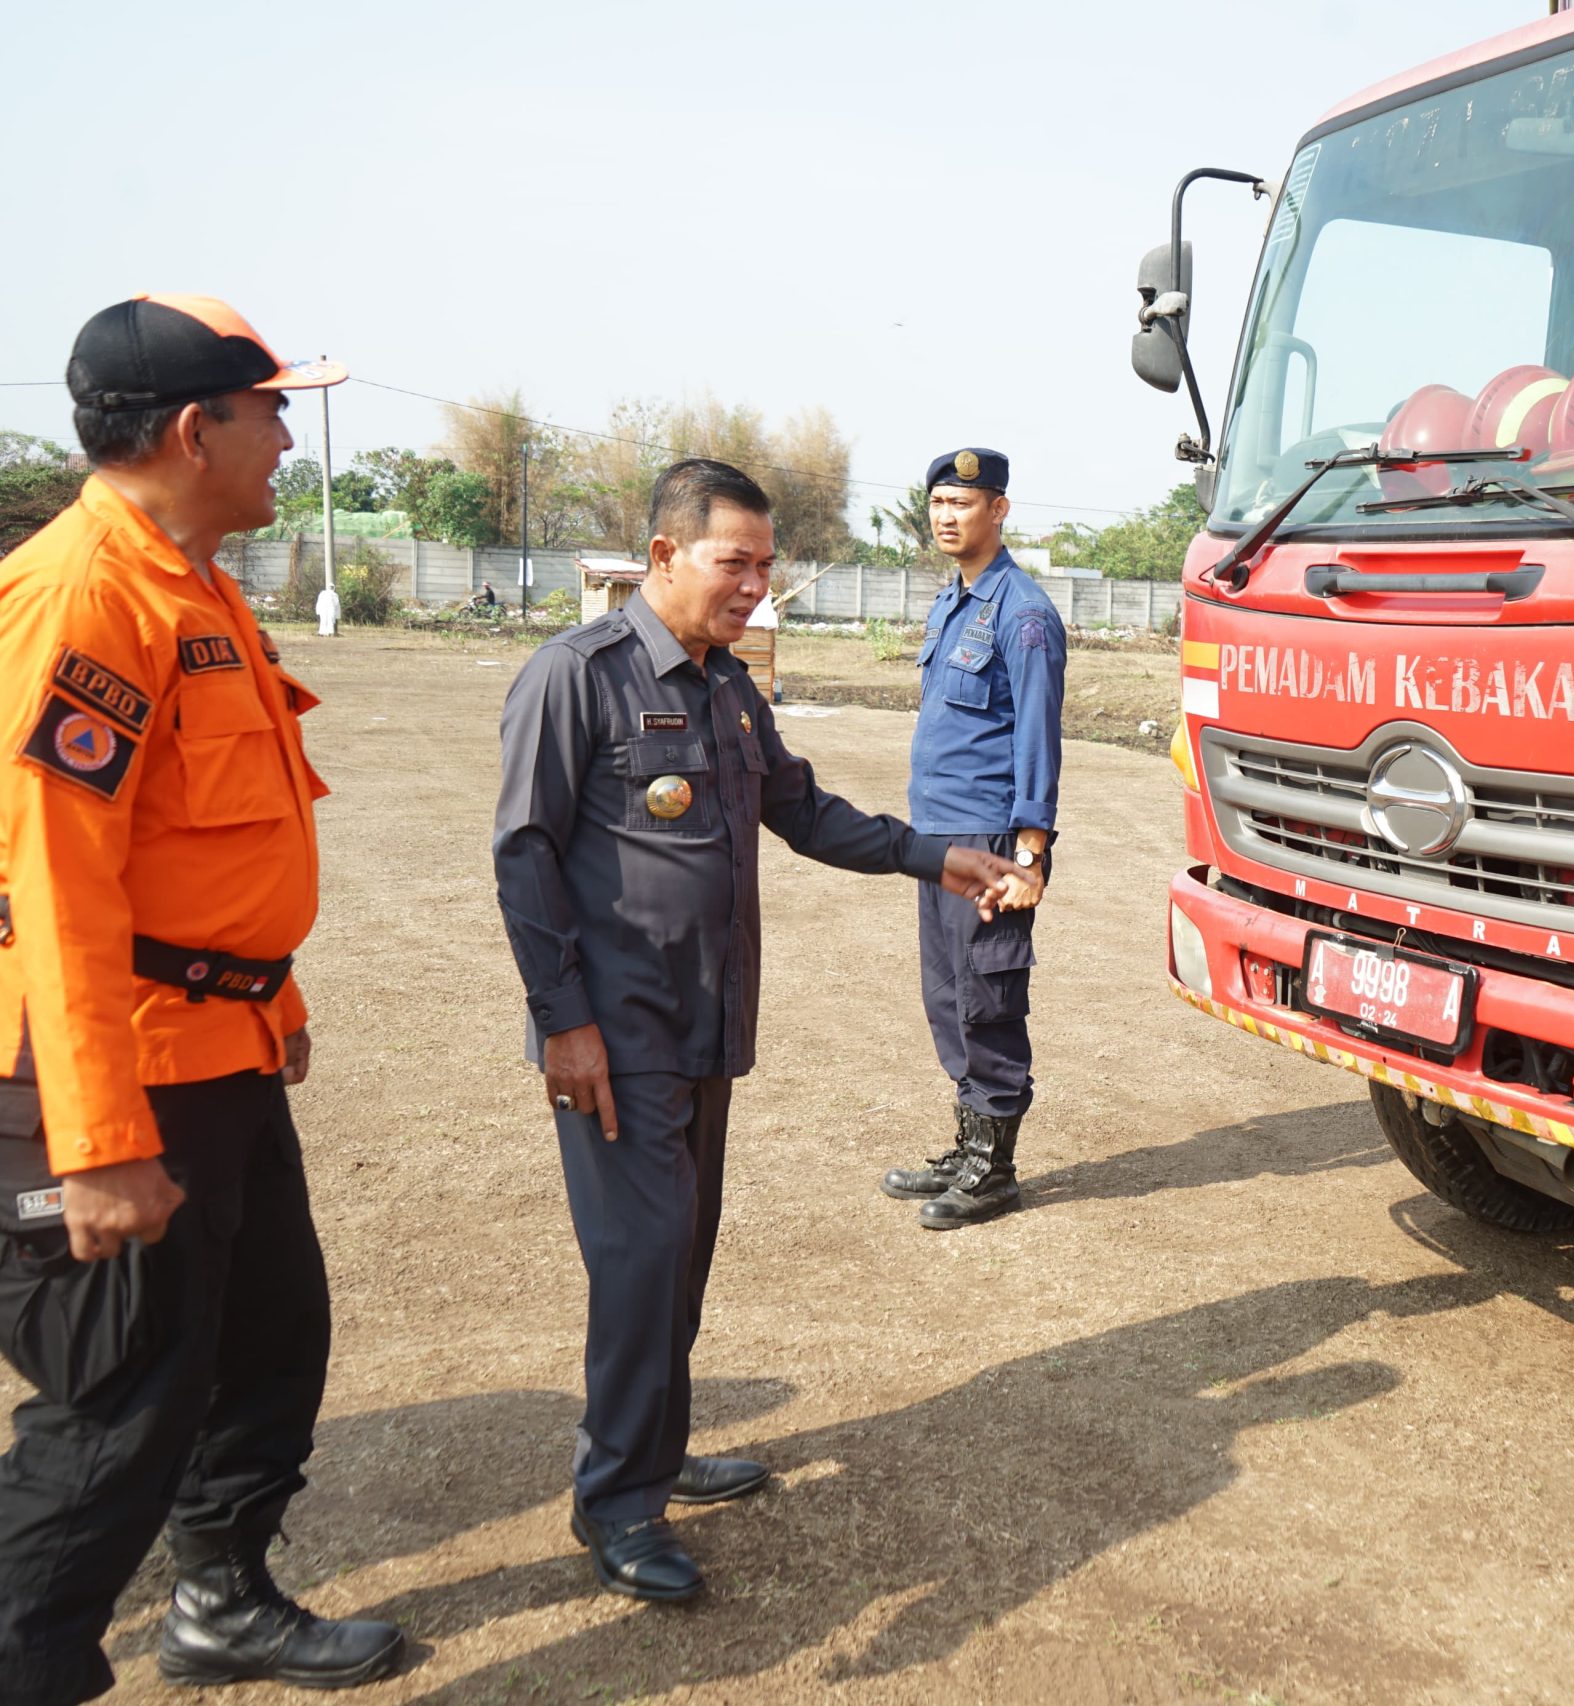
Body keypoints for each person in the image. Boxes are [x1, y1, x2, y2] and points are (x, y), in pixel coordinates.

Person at [492, 458, 1012, 1603]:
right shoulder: (576, 677)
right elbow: (523, 854)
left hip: (705, 1027)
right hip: (615, 1038)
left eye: (766, 565)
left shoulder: (728, 688)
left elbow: (803, 810)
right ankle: (617, 1501)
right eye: (737, 562)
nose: (755, 585)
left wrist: (936, 852)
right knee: (636, 1268)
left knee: (679, 1257)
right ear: (665, 555)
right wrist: (563, 1024)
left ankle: (659, 1452)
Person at [0, 295, 404, 1701]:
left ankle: (223, 1597)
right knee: (119, 1412)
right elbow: (55, 881)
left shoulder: (195, 575)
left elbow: (212, 843)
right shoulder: (87, 593)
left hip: (216, 1049)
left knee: (271, 1340)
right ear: (194, 428)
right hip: (117, 1069)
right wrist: (98, 1138)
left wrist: (270, 1007)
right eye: (275, 408)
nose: (290, 436)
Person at [878, 449, 1065, 1229]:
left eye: (965, 501)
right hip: (938, 835)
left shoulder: (1023, 614)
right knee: (948, 994)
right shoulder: (953, 603)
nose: (948, 516)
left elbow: (1037, 741)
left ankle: (996, 1170)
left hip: (989, 836)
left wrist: (1031, 852)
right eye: (939, 504)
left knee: (989, 995)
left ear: (1000, 510)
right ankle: (968, 1145)